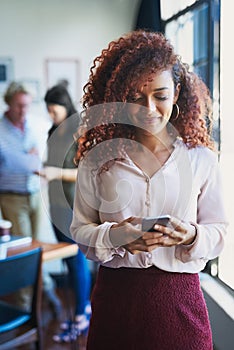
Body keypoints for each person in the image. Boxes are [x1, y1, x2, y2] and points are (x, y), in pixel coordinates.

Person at [70, 30, 228, 350]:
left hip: (180, 304)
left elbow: (221, 232)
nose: (150, 109)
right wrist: (117, 236)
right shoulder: (98, 159)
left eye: (160, 95)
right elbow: (80, 231)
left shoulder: (201, 160)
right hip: (116, 302)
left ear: (177, 92)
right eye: (135, 97)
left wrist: (191, 236)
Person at [0, 81, 62, 315]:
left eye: (26, 106)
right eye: (18, 106)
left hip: (36, 193)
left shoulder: (36, 125)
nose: (23, 111)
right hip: (12, 198)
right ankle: (26, 306)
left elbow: (45, 158)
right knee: (23, 252)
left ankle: (46, 292)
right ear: (8, 103)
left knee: (39, 248)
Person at [41, 84, 91, 343]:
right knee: (68, 262)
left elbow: (85, 171)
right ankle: (82, 309)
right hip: (56, 205)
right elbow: (52, 164)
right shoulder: (53, 131)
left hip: (73, 206)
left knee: (76, 261)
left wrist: (56, 173)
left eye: (53, 110)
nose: (51, 115)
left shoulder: (78, 130)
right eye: (48, 111)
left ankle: (81, 315)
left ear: (65, 105)